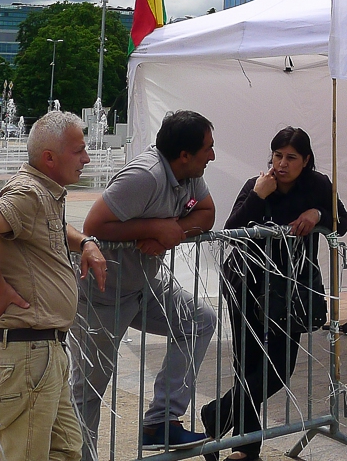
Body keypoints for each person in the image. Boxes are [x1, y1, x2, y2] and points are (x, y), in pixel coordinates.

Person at [0, 111, 105, 461]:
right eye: (79, 151)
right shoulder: (28, 193)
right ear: (49, 158)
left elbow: (50, 228)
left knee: (66, 451)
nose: (87, 159)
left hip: (45, 352)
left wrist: (84, 243)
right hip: (25, 355)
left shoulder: (45, 195)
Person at [73, 111, 218, 454]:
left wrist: (175, 231)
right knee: (89, 387)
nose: (212, 156)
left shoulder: (189, 176)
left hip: (146, 285)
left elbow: (207, 213)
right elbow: (92, 226)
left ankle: (161, 423)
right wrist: (151, 228)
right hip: (104, 292)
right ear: (184, 154)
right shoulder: (145, 176)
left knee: (199, 319)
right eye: (208, 148)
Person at [201, 127, 347, 461]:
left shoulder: (317, 186)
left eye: (291, 157)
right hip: (246, 286)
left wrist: (319, 215)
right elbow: (232, 230)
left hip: (289, 292)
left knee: (278, 369)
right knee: (250, 365)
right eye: (277, 155)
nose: (282, 164)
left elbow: (343, 220)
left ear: (306, 160)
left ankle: (216, 416)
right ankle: (245, 449)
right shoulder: (257, 185)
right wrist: (258, 196)